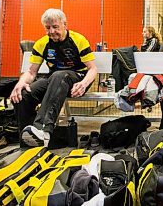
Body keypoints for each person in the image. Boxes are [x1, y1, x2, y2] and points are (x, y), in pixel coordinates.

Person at [9, 8, 97, 147]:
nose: (51, 31)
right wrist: (20, 83)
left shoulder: (78, 40)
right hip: (54, 81)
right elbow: (32, 72)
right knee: (24, 93)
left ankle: (43, 131)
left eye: (55, 27)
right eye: (48, 28)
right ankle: (28, 138)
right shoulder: (42, 43)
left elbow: (93, 69)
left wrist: (84, 84)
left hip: (78, 80)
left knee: (59, 75)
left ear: (64, 25)